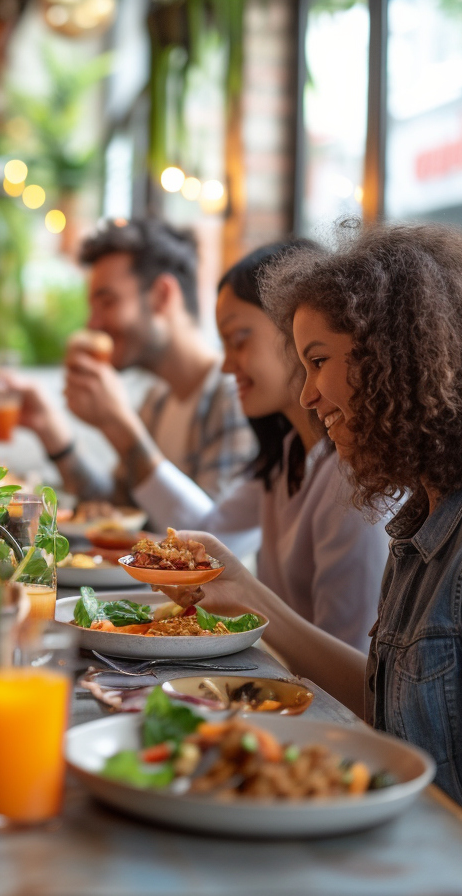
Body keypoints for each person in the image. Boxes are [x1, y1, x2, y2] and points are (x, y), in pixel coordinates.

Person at [177, 222, 462, 895]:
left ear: (396, 361)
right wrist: (249, 600)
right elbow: (388, 704)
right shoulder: (428, 520)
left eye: (318, 360)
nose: (309, 396)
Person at [131, 240, 389, 650]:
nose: (227, 364)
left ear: (295, 329)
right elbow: (213, 536)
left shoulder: (351, 477)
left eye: (239, 338)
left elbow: (356, 666)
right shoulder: (287, 454)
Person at [0, 218, 255, 516]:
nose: (92, 324)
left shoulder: (234, 396)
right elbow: (116, 509)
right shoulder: (157, 400)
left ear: (162, 296)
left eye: (107, 303)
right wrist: (53, 434)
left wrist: (119, 425)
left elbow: (212, 538)